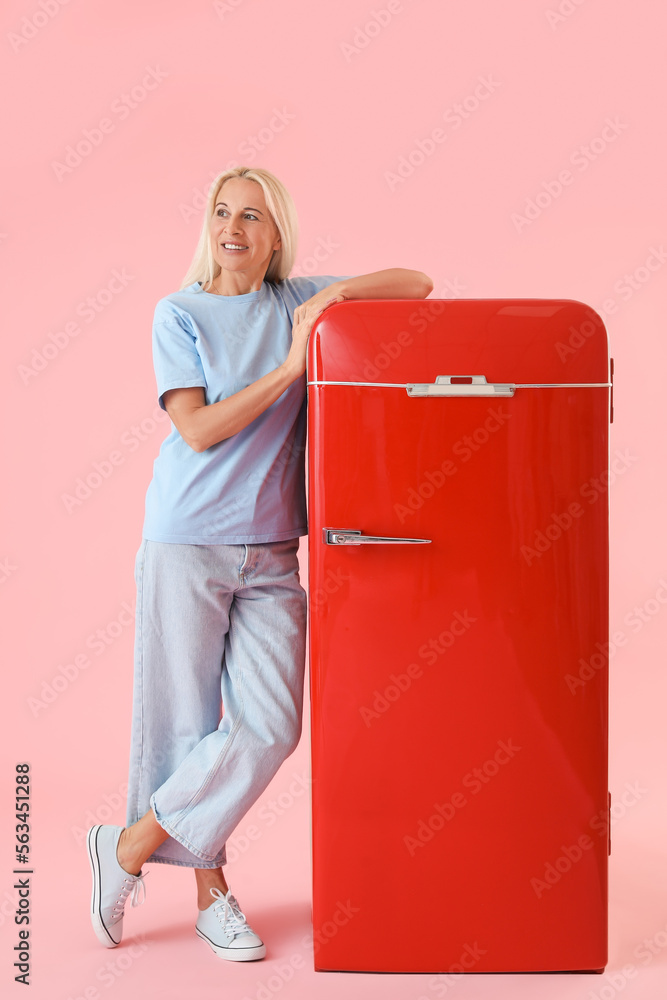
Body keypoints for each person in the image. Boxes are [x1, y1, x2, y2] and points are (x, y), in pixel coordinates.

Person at [86, 165, 433, 962]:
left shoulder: (296, 300)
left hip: (274, 551)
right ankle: (212, 896)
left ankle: (127, 847)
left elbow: (416, 283)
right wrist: (286, 368)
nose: (232, 228)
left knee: (269, 725)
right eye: (220, 212)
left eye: (251, 215)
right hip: (187, 542)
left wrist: (325, 302)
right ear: (207, 225)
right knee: (181, 727)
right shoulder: (177, 313)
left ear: (277, 234)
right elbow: (198, 429)